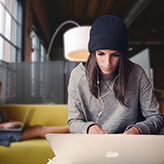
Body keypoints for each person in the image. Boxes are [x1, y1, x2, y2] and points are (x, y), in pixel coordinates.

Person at [67, 14, 164, 135]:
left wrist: (138, 130)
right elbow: (73, 121)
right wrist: (89, 128)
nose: (107, 63)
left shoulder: (137, 73)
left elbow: (156, 117)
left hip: (129, 144)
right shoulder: (78, 76)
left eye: (115, 55)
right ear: (93, 53)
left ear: (122, 55)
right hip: (92, 143)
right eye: (101, 54)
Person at [0, 81, 70, 146]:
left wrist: (11, 123)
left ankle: (72, 132)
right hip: (2, 134)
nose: (0, 94)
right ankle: (71, 128)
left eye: (0, 91)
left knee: (37, 127)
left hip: (5, 130)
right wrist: (4, 126)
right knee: (38, 129)